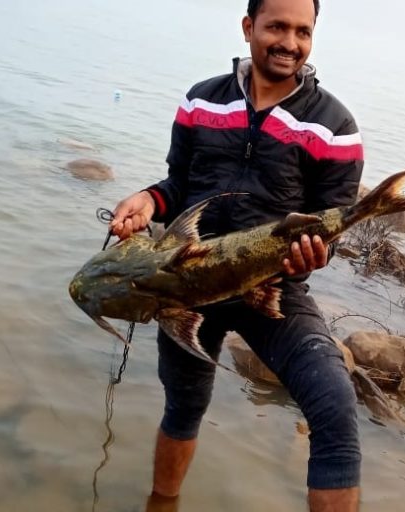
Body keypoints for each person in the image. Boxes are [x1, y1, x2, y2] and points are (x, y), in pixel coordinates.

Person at [110, 0, 364, 509]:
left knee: (335, 408)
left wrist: (315, 255)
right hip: (185, 292)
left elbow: (328, 228)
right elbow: (177, 186)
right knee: (183, 407)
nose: (289, 43)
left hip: (272, 292)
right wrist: (145, 200)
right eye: (276, 27)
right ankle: (162, 503)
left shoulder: (334, 125)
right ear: (249, 27)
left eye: (302, 31)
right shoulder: (201, 101)